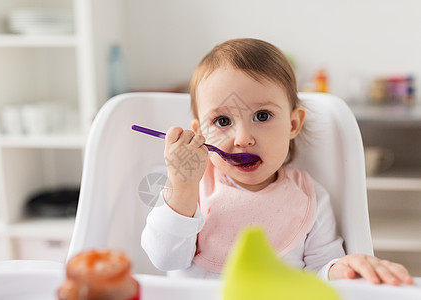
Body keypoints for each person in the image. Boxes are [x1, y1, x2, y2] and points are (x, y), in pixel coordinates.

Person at [141, 38, 413, 285]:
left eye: (262, 116)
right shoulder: (188, 189)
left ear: (293, 124)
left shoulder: (310, 197)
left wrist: (340, 268)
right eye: (223, 121)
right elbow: (165, 259)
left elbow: (319, 273)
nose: (243, 139)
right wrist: (182, 186)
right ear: (200, 134)